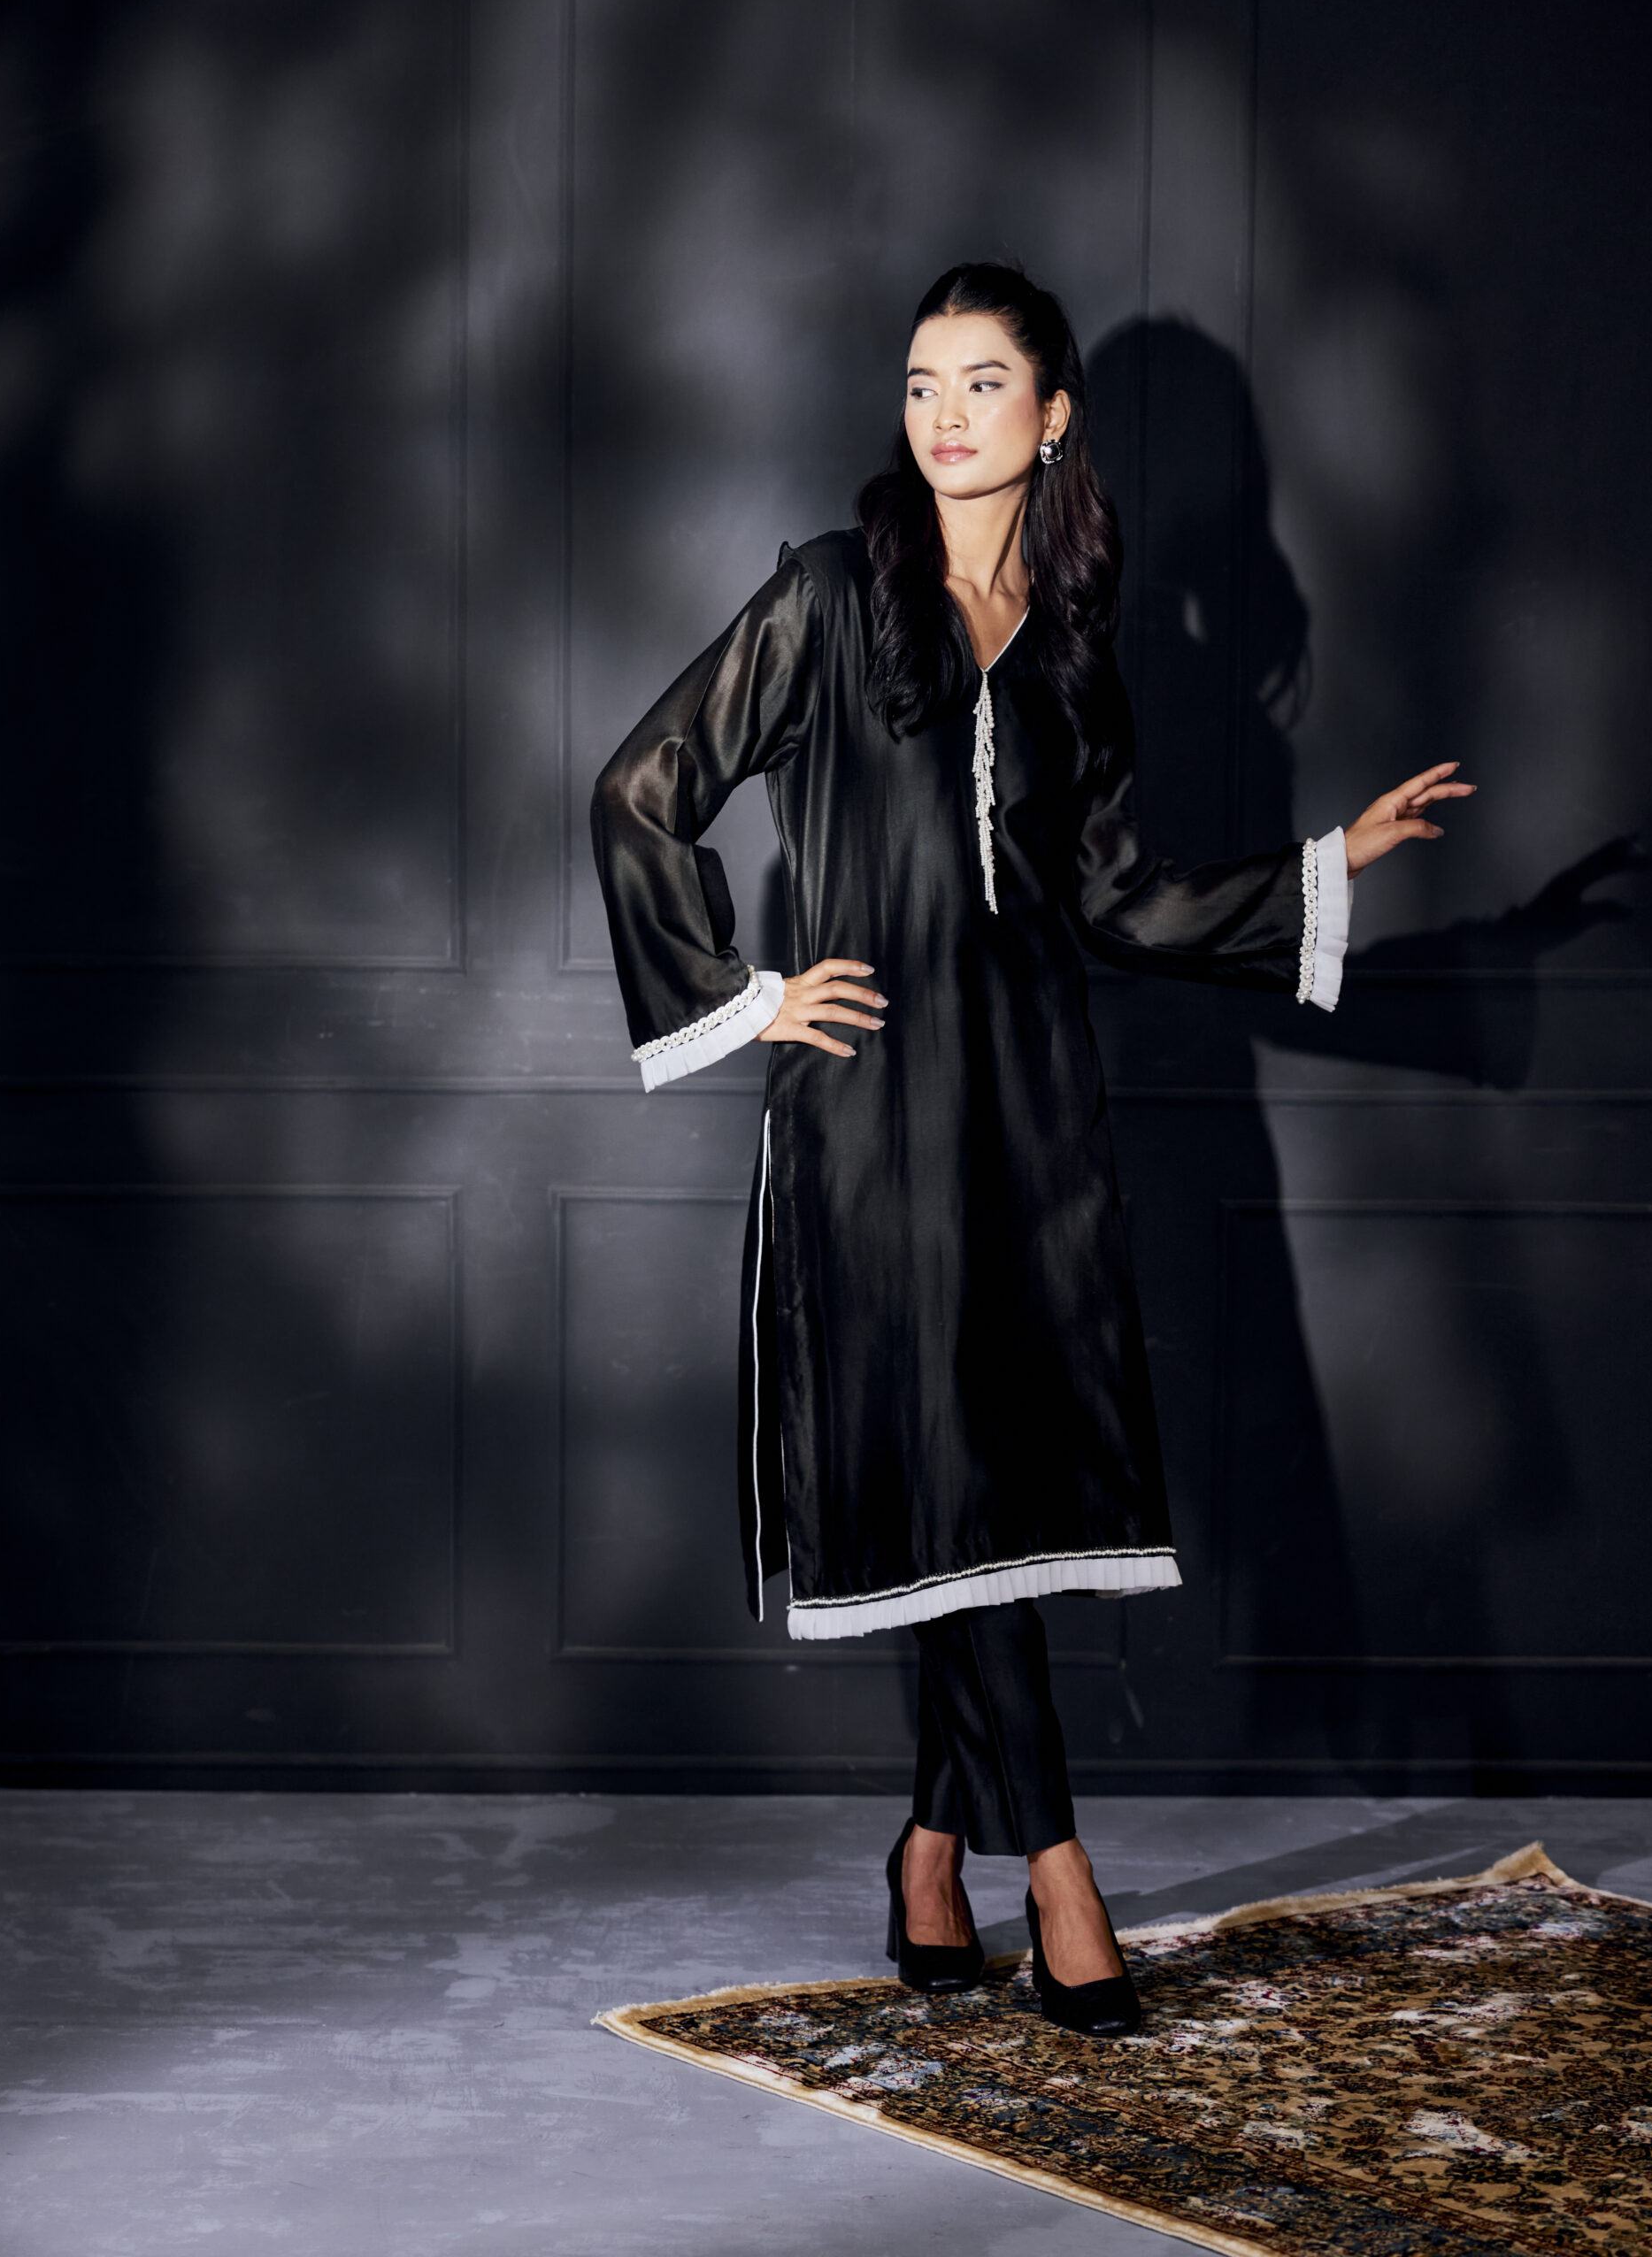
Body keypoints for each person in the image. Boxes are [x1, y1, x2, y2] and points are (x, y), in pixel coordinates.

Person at [590, 264, 1472, 2037]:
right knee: (959, 1482)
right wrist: (750, 996)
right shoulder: (831, 596)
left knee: (980, 1489)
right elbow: (642, 789)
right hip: (871, 1124)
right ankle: (1059, 1870)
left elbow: (1119, 898)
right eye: (922, 382)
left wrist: (1332, 863)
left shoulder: (1073, 648)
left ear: (1053, 414)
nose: (944, 414)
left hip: (1032, 1113)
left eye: (982, 382)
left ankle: (931, 1851)